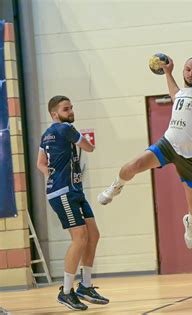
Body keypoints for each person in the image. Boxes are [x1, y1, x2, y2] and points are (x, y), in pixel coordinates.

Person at [97, 56, 192, 250]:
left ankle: (191, 223)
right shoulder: (182, 93)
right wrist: (168, 73)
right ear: (183, 70)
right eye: (187, 69)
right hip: (168, 144)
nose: (191, 73)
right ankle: (115, 186)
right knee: (134, 165)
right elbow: (174, 93)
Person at [37, 95, 109, 311]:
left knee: (93, 234)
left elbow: (40, 163)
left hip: (73, 190)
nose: (70, 112)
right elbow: (89, 147)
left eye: (71, 108)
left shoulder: (46, 134)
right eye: (66, 109)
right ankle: (66, 292)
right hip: (64, 192)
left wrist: (51, 175)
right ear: (54, 114)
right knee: (80, 238)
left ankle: (85, 286)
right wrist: (85, 140)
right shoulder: (64, 129)